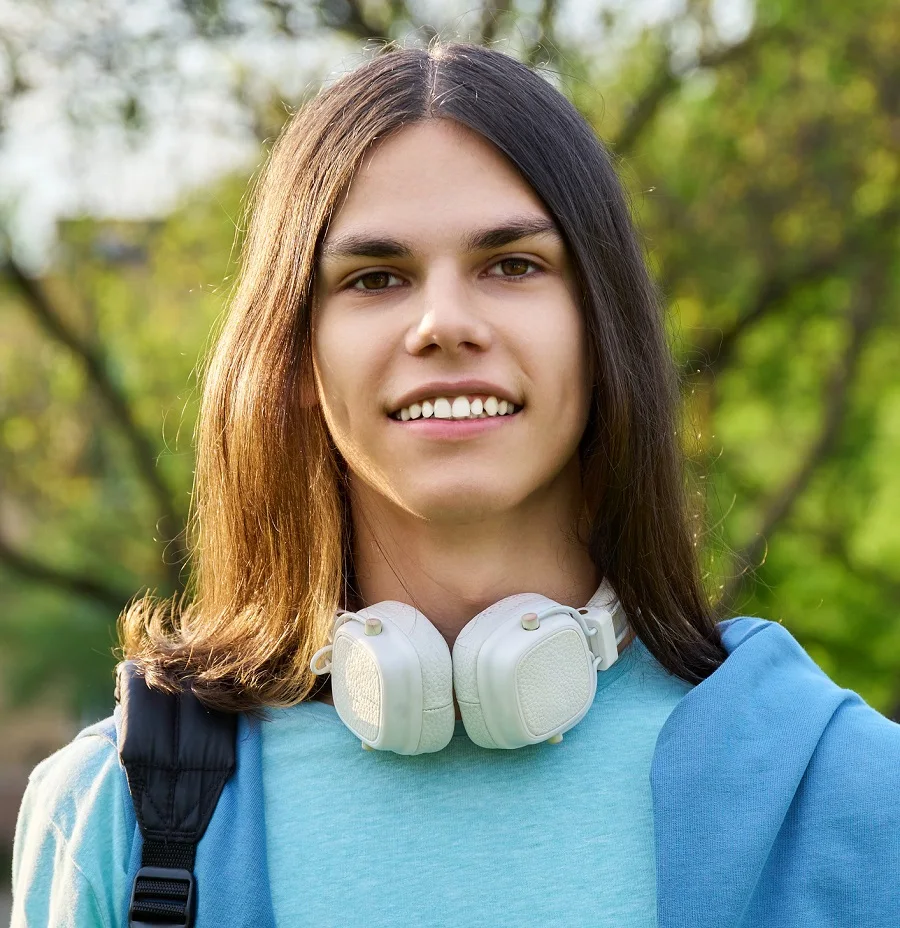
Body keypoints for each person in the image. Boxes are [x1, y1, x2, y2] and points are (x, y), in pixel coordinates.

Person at [10, 40, 900, 928]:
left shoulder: (851, 790)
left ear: (601, 330)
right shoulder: (112, 818)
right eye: (376, 278)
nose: (443, 323)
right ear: (296, 360)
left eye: (513, 264)